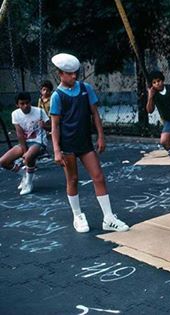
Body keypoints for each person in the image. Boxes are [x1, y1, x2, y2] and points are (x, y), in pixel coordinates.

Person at [49, 53, 129, 233]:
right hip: (67, 145)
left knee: (98, 176)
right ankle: (77, 215)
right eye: (69, 73)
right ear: (60, 74)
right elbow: (55, 126)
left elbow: (95, 114)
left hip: (85, 142)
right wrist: (56, 150)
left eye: (75, 72)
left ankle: (108, 218)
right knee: (73, 179)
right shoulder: (57, 96)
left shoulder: (86, 88)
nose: (74, 76)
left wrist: (101, 136)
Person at [0, 92, 49, 195]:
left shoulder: (39, 112)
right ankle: (24, 174)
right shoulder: (15, 114)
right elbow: (19, 134)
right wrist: (24, 151)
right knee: (3, 161)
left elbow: (52, 127)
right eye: (22, 104)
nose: (25, 106)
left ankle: (29, 183)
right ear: (17, 105)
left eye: (27, 103)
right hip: (25, 142)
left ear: (30, 102)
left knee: (28, 157)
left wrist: (44, 126)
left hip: (39, 142)